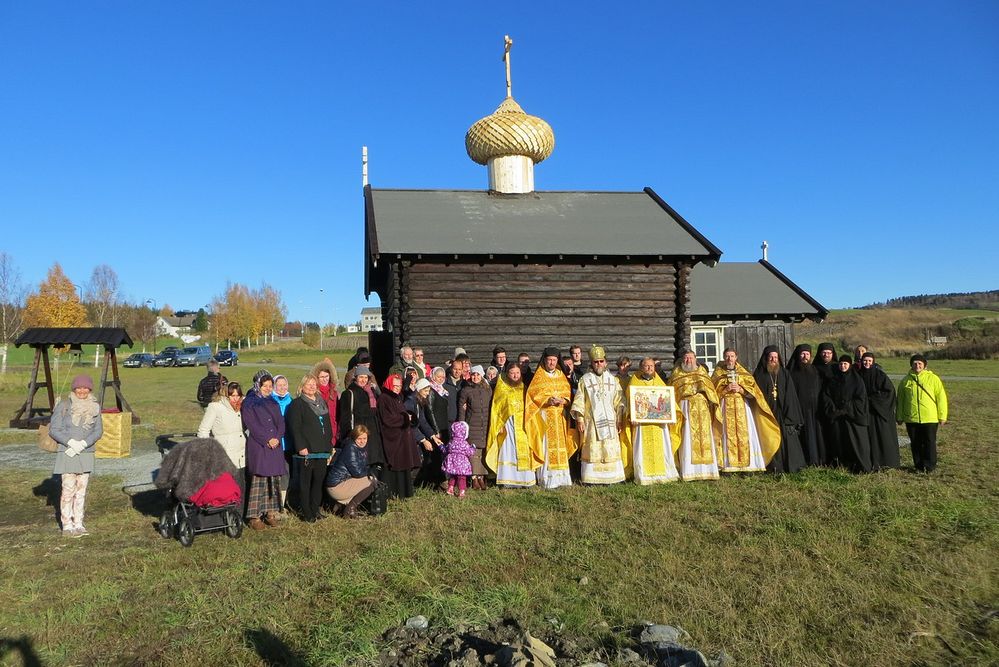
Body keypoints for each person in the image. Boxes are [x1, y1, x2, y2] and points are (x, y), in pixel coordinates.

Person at [711, 348, 781, 472]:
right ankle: (728, 466)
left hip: (742, 408)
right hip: (725, 408)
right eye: (727, 356)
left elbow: (754, 393)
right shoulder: (717, 373)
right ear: (723, 357)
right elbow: (712, 394)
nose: (729, 359)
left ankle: (747, 466)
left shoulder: (743, 373)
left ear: (736, 357)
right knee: (727, 434)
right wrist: (725, 390)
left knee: (745, 434)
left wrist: (741, 389)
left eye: (732, 356)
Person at [50, 374, 103, 536]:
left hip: (86, 452)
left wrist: (84, 443)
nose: (82, 390)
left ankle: (79, 523)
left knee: (81, 490)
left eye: (85, 387)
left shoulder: (95, 406)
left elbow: (98, 431)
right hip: (68, 452)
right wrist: (70, 443)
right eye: (78, 387)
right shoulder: (64, 405)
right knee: (68, 490)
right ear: (74, 389)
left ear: (90, 389)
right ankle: (67, 525)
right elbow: (54, 430)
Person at [570, 345, 626, 485]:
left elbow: (619, 401)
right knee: (593, 448)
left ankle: (614, 477)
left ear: (605, 362)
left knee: (609, 447)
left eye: (601, 361)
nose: (599, 364)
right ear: (591, 363)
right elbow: (579, 400)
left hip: (610, 421)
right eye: (596, 362)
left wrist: (619, 419)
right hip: (592, 423)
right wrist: (580, 419)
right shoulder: (585, 379)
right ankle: (591, 478)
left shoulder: (613, 380)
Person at [621, 358, 680, 485]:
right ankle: (644, 476)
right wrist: (632, 415)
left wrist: (671, 415)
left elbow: (667, 401)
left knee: (662, 447)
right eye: (646, 366)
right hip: (641, 424)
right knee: (641, 448)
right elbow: (630, 401)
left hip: (659, 425)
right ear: (641, 368)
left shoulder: (659, 383)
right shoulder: (634, 382)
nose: (649, 368)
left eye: (651, 366)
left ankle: (664, 474)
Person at [525, 347, 577, 489]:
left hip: (560, 418)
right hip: (545, 419)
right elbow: (532, 397)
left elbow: (568, 395)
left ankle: (562, 479)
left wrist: (564, 401)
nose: (552, 363)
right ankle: (548, 480)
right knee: (547, 447)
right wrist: (548, 401)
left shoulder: (561, 375)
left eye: (554, 360)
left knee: (561, 446)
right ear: (545, 360)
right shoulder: (539, 376)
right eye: (549, 360)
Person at [241, 373, 287, 530]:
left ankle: (271, 512)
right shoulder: (249, 403)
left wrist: (277, 437)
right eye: (264, 385)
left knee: (273, 481)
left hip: (275, 446)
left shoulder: (272, 402)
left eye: (269, 386)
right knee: (259, 481)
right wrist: (267, 438)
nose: (267, 389)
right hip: (260, 446)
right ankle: (254, 517)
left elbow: (281, 422)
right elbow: (252, 425)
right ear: (257, 385)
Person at [285, 374, 333, 522]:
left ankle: (315, 509)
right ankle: (307, 513)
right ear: (302, 387)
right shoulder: (297, 404)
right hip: (307, 450)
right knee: (306, 483)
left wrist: (329, 446)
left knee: (318, 482)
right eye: (308, 384)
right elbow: (295, 427)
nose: (312, 386)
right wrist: (301, 447)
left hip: (322, 449)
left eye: (314, 384)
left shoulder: (321, 402)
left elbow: (328, 425)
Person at [753, 346, 807, 473]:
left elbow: (791, 395)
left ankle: (790, 466)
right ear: (766, 358)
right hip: (767, 414)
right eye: (771, 357)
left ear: (779, 359)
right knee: (769, 439)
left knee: (787, 440)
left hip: (783, 413)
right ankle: (773, 467)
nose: (773, 359)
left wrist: (789, 413)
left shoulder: (784, 373)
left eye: (776, 357)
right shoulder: (759, 374)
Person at [669, 350, 722, 481]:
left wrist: (703, 392)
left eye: (691, 358)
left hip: (702, 410)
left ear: (695, 359)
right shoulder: (676, 375)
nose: (688, 361)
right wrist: (687, 392)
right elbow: (671, 393)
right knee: (687, 438)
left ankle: (708, 471)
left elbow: (711, 392)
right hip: (685, 409)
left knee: (705, 438)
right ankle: (689, 472)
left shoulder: (702, 373)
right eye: (686, 359)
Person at [485, 362, 538, 487]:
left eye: (517, 373)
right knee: (508, 451)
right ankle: (508, 480)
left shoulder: (524, 388)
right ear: (507, 374)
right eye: (512, 373)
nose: (515, 375)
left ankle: (525, 480)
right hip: (507, 426)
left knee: (524, 449)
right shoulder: (502, 388)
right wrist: (499, 424)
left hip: (522, 426)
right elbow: (496, 409)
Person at [896, 354, 948, 473]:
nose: (917, 366)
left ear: (925, 365)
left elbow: (941, 398)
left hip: (929, 418)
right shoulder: (905, 381)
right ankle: (918, 465)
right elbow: (901, 400)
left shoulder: (933, 379)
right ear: (911, 365)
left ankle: (929, 466)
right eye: (915, 363)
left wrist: (942, 416)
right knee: (915, 443)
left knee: (929, 442)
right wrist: (899, 417)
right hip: (911, 418)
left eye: (920, 363)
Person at [821, 355, 872, 473]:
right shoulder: (833, 379)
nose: (842, 366)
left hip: (852, 418)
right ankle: (841, 464)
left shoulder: (856, 380)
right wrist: (833, 409)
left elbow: (860, 399)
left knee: (854, 442)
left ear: (849, 365)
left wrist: (846, 408)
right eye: (841, 364)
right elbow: (826, 395)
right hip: (837, 418)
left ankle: (859, 466)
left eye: (845, 364)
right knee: (838, 442)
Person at [377, 374, 422, 499]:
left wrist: (408, 417)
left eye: (399, 386)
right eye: (395, 385)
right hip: (393, 438)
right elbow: (387, 419)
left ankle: (403, 493)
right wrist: (404, 418)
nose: (397, 388)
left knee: (403, 467)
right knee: (395, 467)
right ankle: (394, 493)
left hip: (402, 437)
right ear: (389, 385)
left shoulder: (396, 397)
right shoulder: (384, 398)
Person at [197, 381, 247, 490]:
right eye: (233, 395)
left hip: (242, 456)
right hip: (225, 456)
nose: (236, 398)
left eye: (238, 395)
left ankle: (242, 507)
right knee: (227, 491)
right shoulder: (215, 407)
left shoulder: (242, 407)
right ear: (226, 395)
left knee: (241, 489)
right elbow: (203, 430)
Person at [338, 367, 386, 478]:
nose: (363, 380)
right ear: (356, 378)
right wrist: (349, 434)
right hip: (359, 431)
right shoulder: (349, 393)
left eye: (366, 377)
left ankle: (375, 487)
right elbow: (346, 417)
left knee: (374, 462)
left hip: (373, 431)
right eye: (361, 377)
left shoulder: (371, 392)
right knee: (362, 461)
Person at [858, 352, 900, 470]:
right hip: (864, 412)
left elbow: (889, 392)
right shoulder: (858, 375)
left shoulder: (880, 376)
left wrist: (872, 400)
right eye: (865, 361)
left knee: (882, 437)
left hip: (879, 412)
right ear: (861, 362)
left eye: (869, 361)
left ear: (873, 362)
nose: (867, 363)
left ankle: (885, 462)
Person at [325, 425, 377, 518]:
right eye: (359, 438)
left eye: (365, 438)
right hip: (336, 486)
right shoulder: (350, 449)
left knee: (370, 480)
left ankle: (341, 505)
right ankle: (350, 509)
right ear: (354, 438)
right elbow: (358, 473)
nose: (362, 441)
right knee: (371, 481)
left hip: (343, 482)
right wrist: (370, 471)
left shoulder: (359, 448)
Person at [787, 344, 825, 466]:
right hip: (798, 410)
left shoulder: (814, 370)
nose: (805, 357)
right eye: (802, 354)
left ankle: (815, 460)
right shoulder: (791, 373)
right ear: (798, 356)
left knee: (814, 435)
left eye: (807, 354)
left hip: (814, 411)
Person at [458, 365, 493, 489]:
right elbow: (461, 409)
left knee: (483, 451)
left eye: (478, 374)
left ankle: (481, 476)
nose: (475, 377)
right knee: (473, 451)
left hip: (486, 423)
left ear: (482, 375)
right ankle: (474, 477)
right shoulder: (466, 389)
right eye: (473, 374)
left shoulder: (488, 389)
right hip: (472, 423)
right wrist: (462, 425)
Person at [408, 377, 445, 488]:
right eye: (425, 391)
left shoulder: (419, 401)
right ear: (419, 390)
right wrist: (423, 440)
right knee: (415, 463)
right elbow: (411, 425)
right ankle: (409, 488)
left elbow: (423, 421)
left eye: (428, 391)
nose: (428, 394)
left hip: (416, 437)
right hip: (410, 437)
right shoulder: (410, 402)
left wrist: (433, 437)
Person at [271, 374, 294, 515]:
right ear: (274, 386)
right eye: (279, 385)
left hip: (288, 445)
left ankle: (282, 504)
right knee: (274, 475)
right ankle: (272, 504)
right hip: (274, 445)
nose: (282, 388)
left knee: (286, 474)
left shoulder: (291, 401)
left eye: (284, 385)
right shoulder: (270, 401)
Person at [442, 421, 476, 498]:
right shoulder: (464, 443)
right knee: (462, 477)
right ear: (465, 432)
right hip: (462, 464)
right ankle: (461, 492)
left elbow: (445, 450)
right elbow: (469, 452)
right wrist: (473, 448)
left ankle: (450, 489)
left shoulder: (451, 442)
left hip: (452, 463)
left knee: (453, 476)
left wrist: (441, 446)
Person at [313, 359, 340, 447]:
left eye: (326, 376)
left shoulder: (334, 393)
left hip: (333, 428)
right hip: (319, 430)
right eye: (322, 377)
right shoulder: (314, 393)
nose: (325, 379)